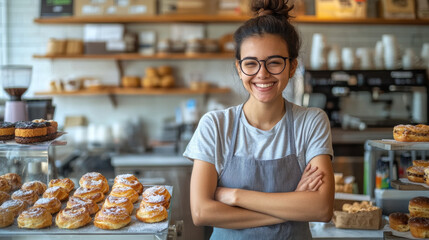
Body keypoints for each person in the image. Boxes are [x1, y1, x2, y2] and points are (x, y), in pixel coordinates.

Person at [183, 0, 335, 239]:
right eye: (251, 63)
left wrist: (235, 197)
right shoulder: (215, 125)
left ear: (292, 66)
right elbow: (201, 212)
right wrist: (292, 208)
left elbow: (322, 208)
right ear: (239, 68)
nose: (262, 74)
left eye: (274, 62)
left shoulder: (311, 121)